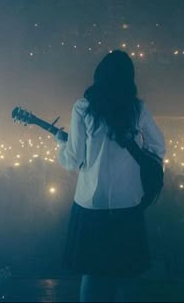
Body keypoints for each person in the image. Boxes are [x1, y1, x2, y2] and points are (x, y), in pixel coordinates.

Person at [56, 50, 166, 302]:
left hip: (91, 206)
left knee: (93, 274)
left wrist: (61, 145)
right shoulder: (137, 109)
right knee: (126, 275)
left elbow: (73, 159)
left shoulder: (83, 107)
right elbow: (159, 148)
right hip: (128, 204)